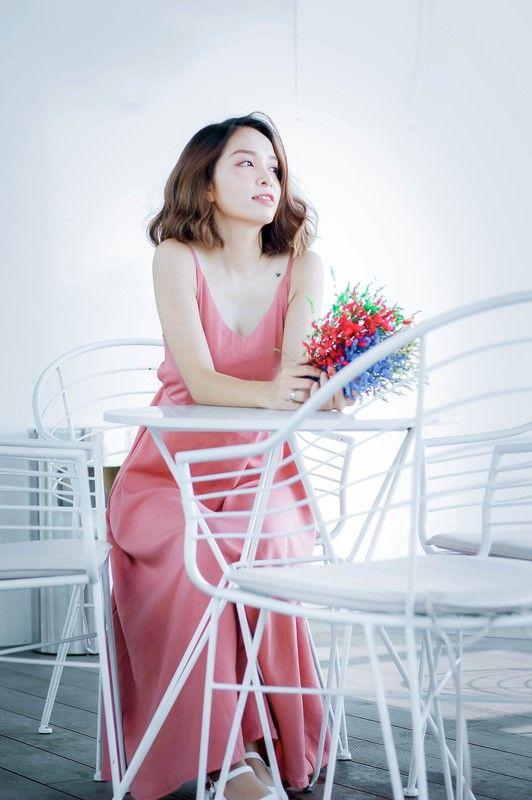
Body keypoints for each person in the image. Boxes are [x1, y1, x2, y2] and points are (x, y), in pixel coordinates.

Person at [100, 111, 353, 800]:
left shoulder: (306, 264)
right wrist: (279, 390)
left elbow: (296, 374)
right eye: (245, 163)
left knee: (263, 550)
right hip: (169, 471)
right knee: (194, 558)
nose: (266, 177)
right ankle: (229, 760)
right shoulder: (175, 257)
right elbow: (202, 379)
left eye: (273, 167)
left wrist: (324, 389)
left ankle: (263, 744)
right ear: (205, 183)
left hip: (262, 466)